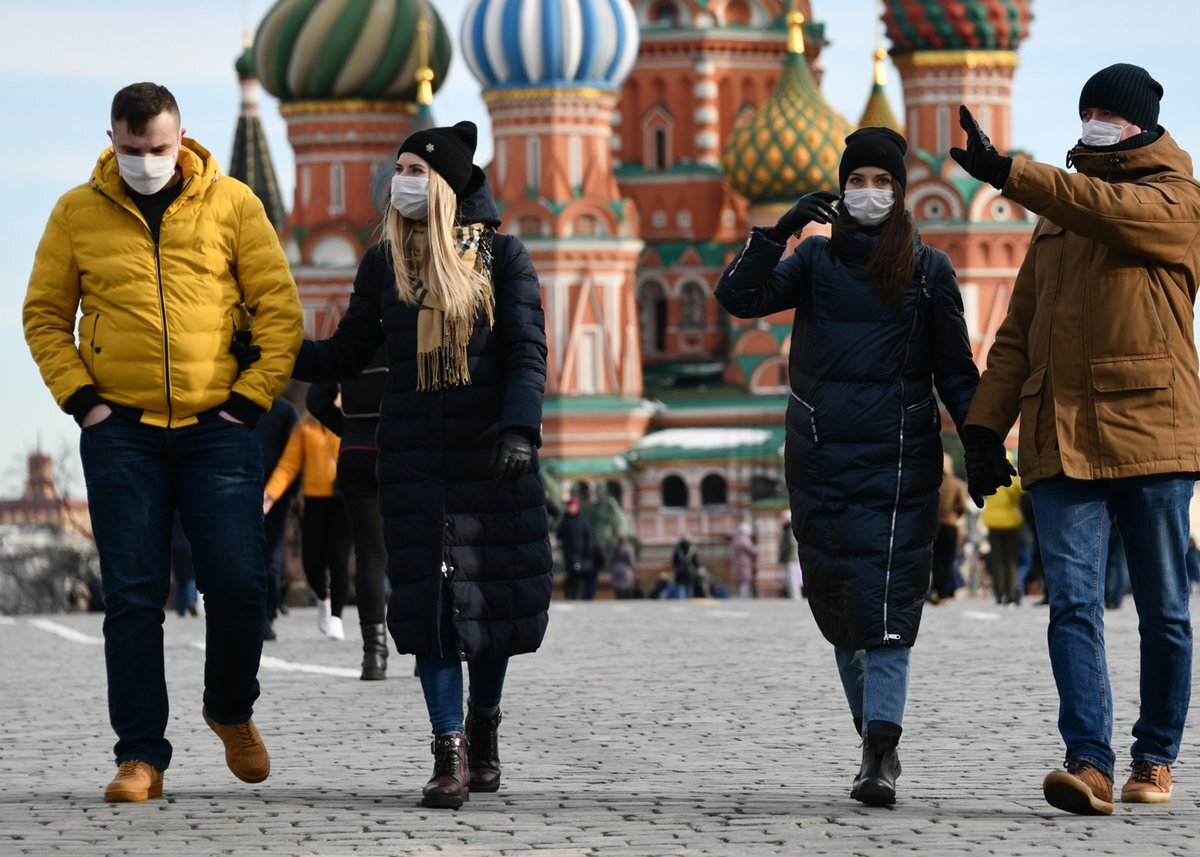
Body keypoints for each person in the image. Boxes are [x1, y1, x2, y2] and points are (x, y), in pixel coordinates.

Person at [22, 82, 302, 802]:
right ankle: (141, 754)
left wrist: (249, 399)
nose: (145, 160)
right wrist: (84, 403)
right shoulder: (76, 213)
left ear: (182, 139)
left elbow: (279, 308)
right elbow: (44, 314)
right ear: (111, 138)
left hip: (220, 428)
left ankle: (230, 708)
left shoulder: (233, 204)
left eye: (158, 148)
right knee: (133, 598)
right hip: (122, 433)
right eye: (131, 148)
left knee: (242, 584)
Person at [952, 64, 1200, 814]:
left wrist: (1009, 173)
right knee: (1071, 606)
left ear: (1141, 123)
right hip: (1061, 440)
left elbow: (1104, 207)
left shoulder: (1175, 200)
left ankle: (1153, 755)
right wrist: (984, 429)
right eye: (1087, 108)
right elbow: (1017, 335)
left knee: (1164, 609)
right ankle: (1088, 761)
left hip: (1152, 433)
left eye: (1107, 112)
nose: (1094, 119)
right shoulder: (1055, 219)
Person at [288, 121, 552, 809]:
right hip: (413, 461)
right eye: (397, 167)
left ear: (444, 183)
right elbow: (346, 352)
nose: (399, 180)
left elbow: (526, 349)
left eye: (412, 168)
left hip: (490, 456)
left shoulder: (503, 258)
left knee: (490, 605)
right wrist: (275, 347)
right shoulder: (384, 264)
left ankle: (485, 726)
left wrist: (521, 431)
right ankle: (448, 752)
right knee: (432, 610)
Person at [715, 127, 979, 806]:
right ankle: (872, 733)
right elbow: (738, 299)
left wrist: (981, 445)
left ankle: (880, 752)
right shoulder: (815, 263)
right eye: (856, 182)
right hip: (822, 460)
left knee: (888, 611)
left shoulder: (929, 269)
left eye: (882, 182)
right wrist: (777, 233)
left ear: (901, 192)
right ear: (839, 190)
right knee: (840, 608)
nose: (868, 194)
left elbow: (956, 371)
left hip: (898, 465)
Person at [307, 349, 390, 678]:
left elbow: (316, 400)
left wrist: (349, 429)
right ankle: (423, 650)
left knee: (369, 554)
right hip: (400, 452)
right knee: (413, 550)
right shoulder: (410, 328)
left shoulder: (354, 336)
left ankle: (374, 655)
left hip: (355, 454)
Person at [264, 412, 351, 641]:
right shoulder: (305, 427)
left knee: (338, 557)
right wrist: (271, 494)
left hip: (345, 499)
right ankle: (323, 598)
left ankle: (336, 617)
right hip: (315, 500)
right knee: (311, 561)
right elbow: (289, 464)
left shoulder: (349, 419)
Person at [256, 393, 301, 641]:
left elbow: (294, 456)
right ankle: (264, 616)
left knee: (268, 556)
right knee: (269, 557)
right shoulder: (286, 410)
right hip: (271, 492)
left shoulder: (284, 411)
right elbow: (294, 457)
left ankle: (266, 615)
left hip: (273, 494)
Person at [981, 462, 1023, 605]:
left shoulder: (990, 476)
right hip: (1011, 522)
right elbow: (1021, 491)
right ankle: (1010, 594)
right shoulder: (1010, 479)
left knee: (997, 559)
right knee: (1010, 560)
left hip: (993, 522)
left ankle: (998, 594)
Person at [931, 455, 968, 604]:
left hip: (934, 525)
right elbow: (963, 506)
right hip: (951, 525)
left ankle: (934, 589)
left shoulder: (934, 483)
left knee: (936, 560)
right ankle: (944, 593)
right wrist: (955, 515)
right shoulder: (957, 484)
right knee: (947, 560)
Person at [557, 498, 594, 600]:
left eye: (572, 506)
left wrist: (587, 552)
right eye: (569, 507)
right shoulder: (565, 521)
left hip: (579, 556)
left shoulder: (583, 522)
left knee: (577, 573)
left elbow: (588, 537)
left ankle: (576, 594)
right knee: (571, 574)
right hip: (569, 555)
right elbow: (559, 534)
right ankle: (570, 595)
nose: (570, 509)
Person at [729, 522, 758, 598]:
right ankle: (744, 596)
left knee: (740, 581)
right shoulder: (744, 540)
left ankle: (741, 595)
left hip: (738, 563)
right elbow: (752, 550)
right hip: (745, 563)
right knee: (745, 581)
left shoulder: (736, 540)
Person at [779, 513, 803, 599]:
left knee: (792, 577)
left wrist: (784, 551)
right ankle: (794, 596)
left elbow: (791, 543)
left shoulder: (789, 529)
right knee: (791, 577)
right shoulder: (788, 528)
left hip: (790, 557)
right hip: (791, 557)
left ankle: (795, 596)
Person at [610, 534, 639, 599]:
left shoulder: (616, 548)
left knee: (618, 586)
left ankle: (619, 598)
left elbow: (611, 559)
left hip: (616, 568)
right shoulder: (628, 548)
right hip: (625, 569)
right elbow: (631, 560)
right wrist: (633, 568)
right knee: (626, 586)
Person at [671, 535, 699, 599]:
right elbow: (696, 562)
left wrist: (677, 568)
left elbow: (674, 561)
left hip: (680, 572)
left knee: (681, 588)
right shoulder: (693, 549)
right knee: (690, 588)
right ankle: (690, 603)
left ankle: (681, 602)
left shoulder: (677, 549)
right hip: (690, 572)